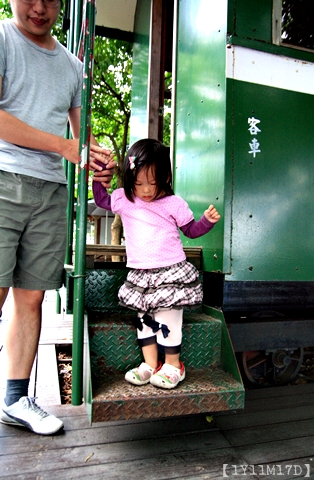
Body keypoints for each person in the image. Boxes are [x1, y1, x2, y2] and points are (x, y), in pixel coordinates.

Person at [0, 0, 115, 435]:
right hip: (3, 176)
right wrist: (65, 147)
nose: (40, 7)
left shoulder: (72, 65)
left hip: (52, 189)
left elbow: (80, 135)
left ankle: (15, 400)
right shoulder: (3, 38)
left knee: (31, 297)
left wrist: (94, 157)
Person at [93, 138, 221, 390]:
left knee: (168, 319)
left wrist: (206, 221)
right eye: (139, 183)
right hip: (141, 275)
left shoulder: (173, 203)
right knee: (144, 320)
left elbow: (191, 231)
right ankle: (150, 365)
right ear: (130, 179)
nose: (146, 190)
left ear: (165, 177)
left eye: (153, 182)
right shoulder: (126, 200)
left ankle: (174, 365)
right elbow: (101, 200)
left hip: (171, 271)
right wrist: (99, 175)